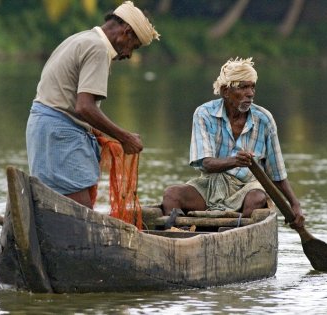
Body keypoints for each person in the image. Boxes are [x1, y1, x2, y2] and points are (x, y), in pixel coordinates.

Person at [26, 1, 159, 209]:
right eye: (133, 47)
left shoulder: (82, 38)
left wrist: (98, 133)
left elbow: (73, 103)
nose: (128, 55)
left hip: (43, 127)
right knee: (80, 210)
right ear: (126, 32)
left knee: (55, 205)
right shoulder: (98, 48)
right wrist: (124, 137)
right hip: (60, 133)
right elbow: (84, 107)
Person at [162, 57, 305, 229]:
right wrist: (236, 161)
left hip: (246, 188)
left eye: (252, 87)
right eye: (243, 87)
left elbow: (276, 173)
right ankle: (182, 233)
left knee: (258, 198)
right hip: (211, 186)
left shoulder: (264, 120)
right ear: (225, 91)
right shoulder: (204, 114)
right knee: (171, 195)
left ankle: (232, 233)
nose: (250, 93)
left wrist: (294, 204)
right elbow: (206, 163)